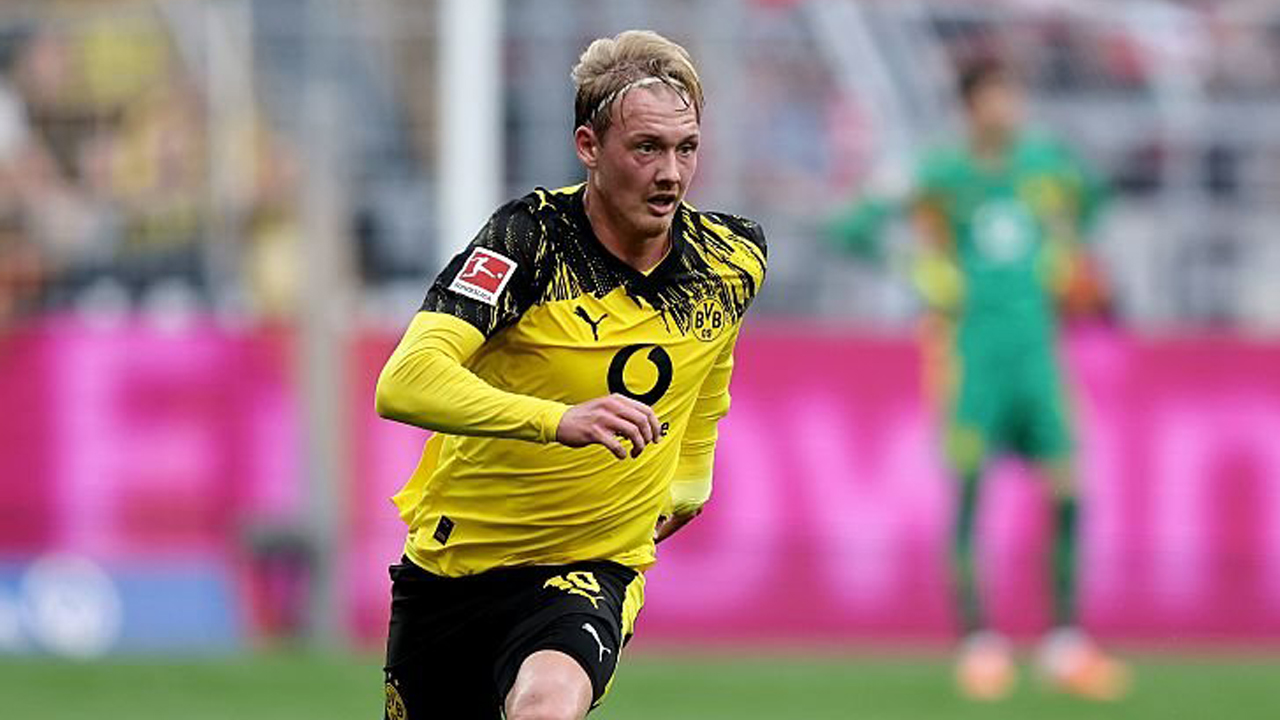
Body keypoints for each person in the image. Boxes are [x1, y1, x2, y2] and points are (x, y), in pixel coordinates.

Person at [374, 30, 766, 720]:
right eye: (646, 148)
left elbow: (712, 366)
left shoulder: (731, 258)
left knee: (546, 706)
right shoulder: (529, 242)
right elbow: (404, 381)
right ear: (589, 147)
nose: (671, 174)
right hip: (454, 566)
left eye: (687, 148)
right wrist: (559, 420)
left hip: (592, 566)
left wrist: (692, 476)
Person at [830, 57, 1125, 701]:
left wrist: (1064, 256)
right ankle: (978, 642)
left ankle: (1065, 642)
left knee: (1069, 486)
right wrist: (921, 272)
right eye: (996, 98)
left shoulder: (1044, 162)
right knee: (969, 488)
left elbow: (1094, 200)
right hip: (970, 355)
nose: (1009, 109)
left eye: (1013, 96)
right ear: (970, 106)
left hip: (1038, 354)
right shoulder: (939, 172)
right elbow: (851, 227)